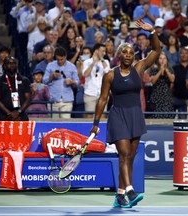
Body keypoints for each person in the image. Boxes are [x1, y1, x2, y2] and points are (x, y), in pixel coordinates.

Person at [90, 20, 161, 208]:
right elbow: (102, 99)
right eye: (125, 52)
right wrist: (96, 122)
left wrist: (152, 31)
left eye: (131, 52)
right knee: (123, 154)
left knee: (130, 156)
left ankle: (120, 194)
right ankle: (130, 190)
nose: (128, 55)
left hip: (135, 115)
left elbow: (157, 51)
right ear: (119, 55)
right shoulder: (110, 75)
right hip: (118, 116)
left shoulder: (139, 68)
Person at [43, 47, 79, 119]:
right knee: (53, 124)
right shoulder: (50, 66)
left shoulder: (72, 67)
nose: (60, 61)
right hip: (53, 99)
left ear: (65, 56)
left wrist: (71, 82)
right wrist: (52, 76)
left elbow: (77, 83)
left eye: (62, 59)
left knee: (66, 123)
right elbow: (44, 81)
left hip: (67, 100)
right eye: (58, 59)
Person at [0, 56, 32, 121]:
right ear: (4, 66)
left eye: (14, 63)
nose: (12, 65)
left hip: (21, 115)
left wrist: (18, 112)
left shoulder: (24, 80)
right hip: (4, 116)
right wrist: (9, 113)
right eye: (9, 63)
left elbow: (28, 98)